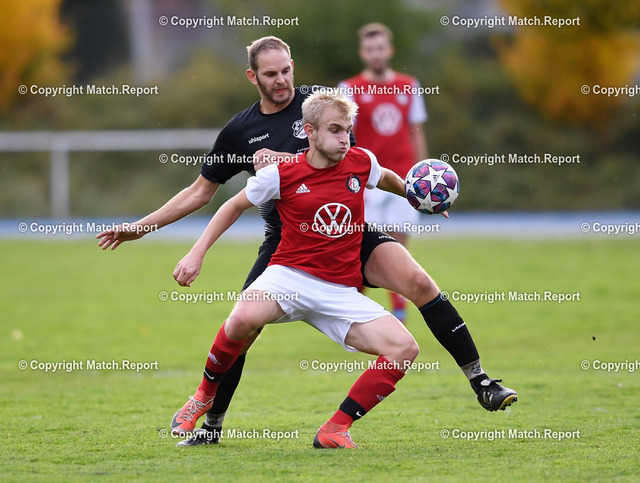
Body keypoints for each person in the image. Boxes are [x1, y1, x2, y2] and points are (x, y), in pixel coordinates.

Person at [96, 36, 516, 447]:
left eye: (286, 70)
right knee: (243, 328)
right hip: (288, 242)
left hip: (347, 231)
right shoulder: (240, 131)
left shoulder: (320, 104)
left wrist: (416, 195)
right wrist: (140, 228)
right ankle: (212, 423)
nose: (281, 80)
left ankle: (480, 380)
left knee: (420, 283)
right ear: (252, 77)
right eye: (270, 74)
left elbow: (353, 162)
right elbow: (199, 193)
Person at [171, 91, 419, 448]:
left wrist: (415, 195)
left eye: (347, 130)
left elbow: (386, 178)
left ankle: (335, 429)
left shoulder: (361, 161)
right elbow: (232, 206)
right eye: (335, 130)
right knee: (240, 320)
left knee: (404, 348)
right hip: (288, 275)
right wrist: (197, 253)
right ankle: (203, 396)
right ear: (310, 132)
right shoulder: (281, 174)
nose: (345, 138)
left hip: (339, 290)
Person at [339, 22, 428, 322]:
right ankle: (352, 311)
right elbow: (343, 135)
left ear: (389, 50)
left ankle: (399, 312)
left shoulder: (409, 85)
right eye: (369, 49)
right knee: (363, 249)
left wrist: (423, 174)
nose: (375, 54)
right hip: (367, 182)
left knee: (399, 249)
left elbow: (416, 131)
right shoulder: (349, 89)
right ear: (362, 53)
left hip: (403, 179)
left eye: (380, 48)